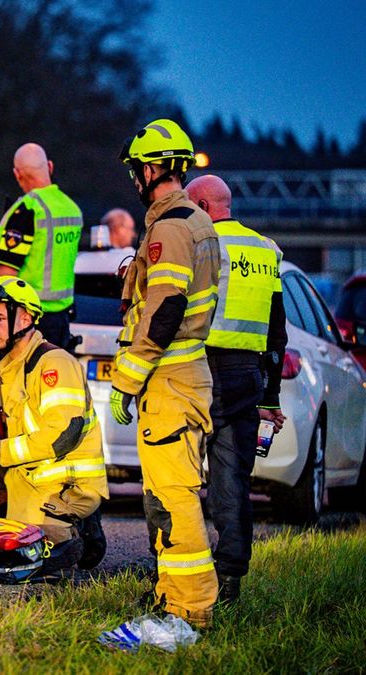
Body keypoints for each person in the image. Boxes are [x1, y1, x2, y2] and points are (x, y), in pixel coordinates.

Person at [111, 118, 221, 627]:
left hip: (169, 383)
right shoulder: (193, 221)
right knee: (164, 499)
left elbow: (166, 309)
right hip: (179, 381)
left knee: (174, 501)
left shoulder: (172, 226)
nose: (135, 180)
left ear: (153, 169)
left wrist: (127, 378)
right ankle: (170, 596)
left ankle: (190, 609)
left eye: (137, 170)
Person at [0, 276, 108, 575]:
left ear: (24, 317)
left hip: (62, 485)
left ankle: (78, 527)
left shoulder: (54, 364)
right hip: (24, 479)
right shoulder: (1, 371)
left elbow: (63, 436)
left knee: (30, 558)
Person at [186, 174, 288, 604]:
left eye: (192, 209)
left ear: (205, 207)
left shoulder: (203, 244)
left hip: (199, 369)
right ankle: (230, 581)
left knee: (176, 475)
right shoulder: (267, 249)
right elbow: (276, 331)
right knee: (232, 481)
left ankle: (175, 575)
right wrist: (271, 396)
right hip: (247, 376)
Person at [0, 144, 84, 350]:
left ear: (17, 174)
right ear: (50, 167)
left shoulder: (26, 210)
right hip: (61, 320)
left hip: (26, 320)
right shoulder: (71, 209)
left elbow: (6, 273)